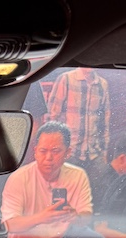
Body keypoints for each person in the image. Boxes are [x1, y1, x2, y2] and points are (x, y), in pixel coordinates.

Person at [1, 121, 107, 238]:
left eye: (55, 151)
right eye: (43, 151)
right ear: (35, 152)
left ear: (68, 152)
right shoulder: (19, 178)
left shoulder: (77, 175)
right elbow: (10, 225)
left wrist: (75, 217)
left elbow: (86, 217)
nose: (48, 157)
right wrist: (41, 218)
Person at [45, 68, 111, 200]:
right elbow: (52, 116)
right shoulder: (66, 79)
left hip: (93, 152)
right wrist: (54, 150)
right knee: (65, 197)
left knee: (97, 197)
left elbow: (105, 121)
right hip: (70, 150)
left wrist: (104, 152)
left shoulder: (102, 84)